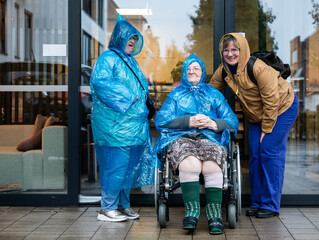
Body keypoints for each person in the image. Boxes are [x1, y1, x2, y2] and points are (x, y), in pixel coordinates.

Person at [210, 33, 299, 218]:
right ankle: (257, 202)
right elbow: (210, 92)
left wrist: (266, 129)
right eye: (226, 50)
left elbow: (272, 100)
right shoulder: (224, 70)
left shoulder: (258, 68)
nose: (230, 54)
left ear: (242, 50)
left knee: (269, 151)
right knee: (255, 155)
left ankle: (270, 204)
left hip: (282, 108)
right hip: (257, 114)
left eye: (235, 49)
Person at [153, 53, 239, 234]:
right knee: (190, 164)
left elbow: (231, 121)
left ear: (202, 72)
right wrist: (188, 122)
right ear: (184, 73)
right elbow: (161, 120)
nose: (192, 71)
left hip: (210, 138)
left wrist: (214, 123)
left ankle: (213, 214)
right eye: (188, 69)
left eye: (196, 68)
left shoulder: (213, 94)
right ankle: (192, 211)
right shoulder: (176, 95)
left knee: (211, 166)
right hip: (182, 138)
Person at [90, 14, 154, 222]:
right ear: (119, 37)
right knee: (115, 166)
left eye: (135, 38)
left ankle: (123, 206)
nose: (133, 41)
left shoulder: (130, 61)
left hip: (133, 127)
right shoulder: (108, 58)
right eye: (129, 37)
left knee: (127, 168)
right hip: (114, 127)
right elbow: (101, 83)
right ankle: (107, 208)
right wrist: (129, 97)